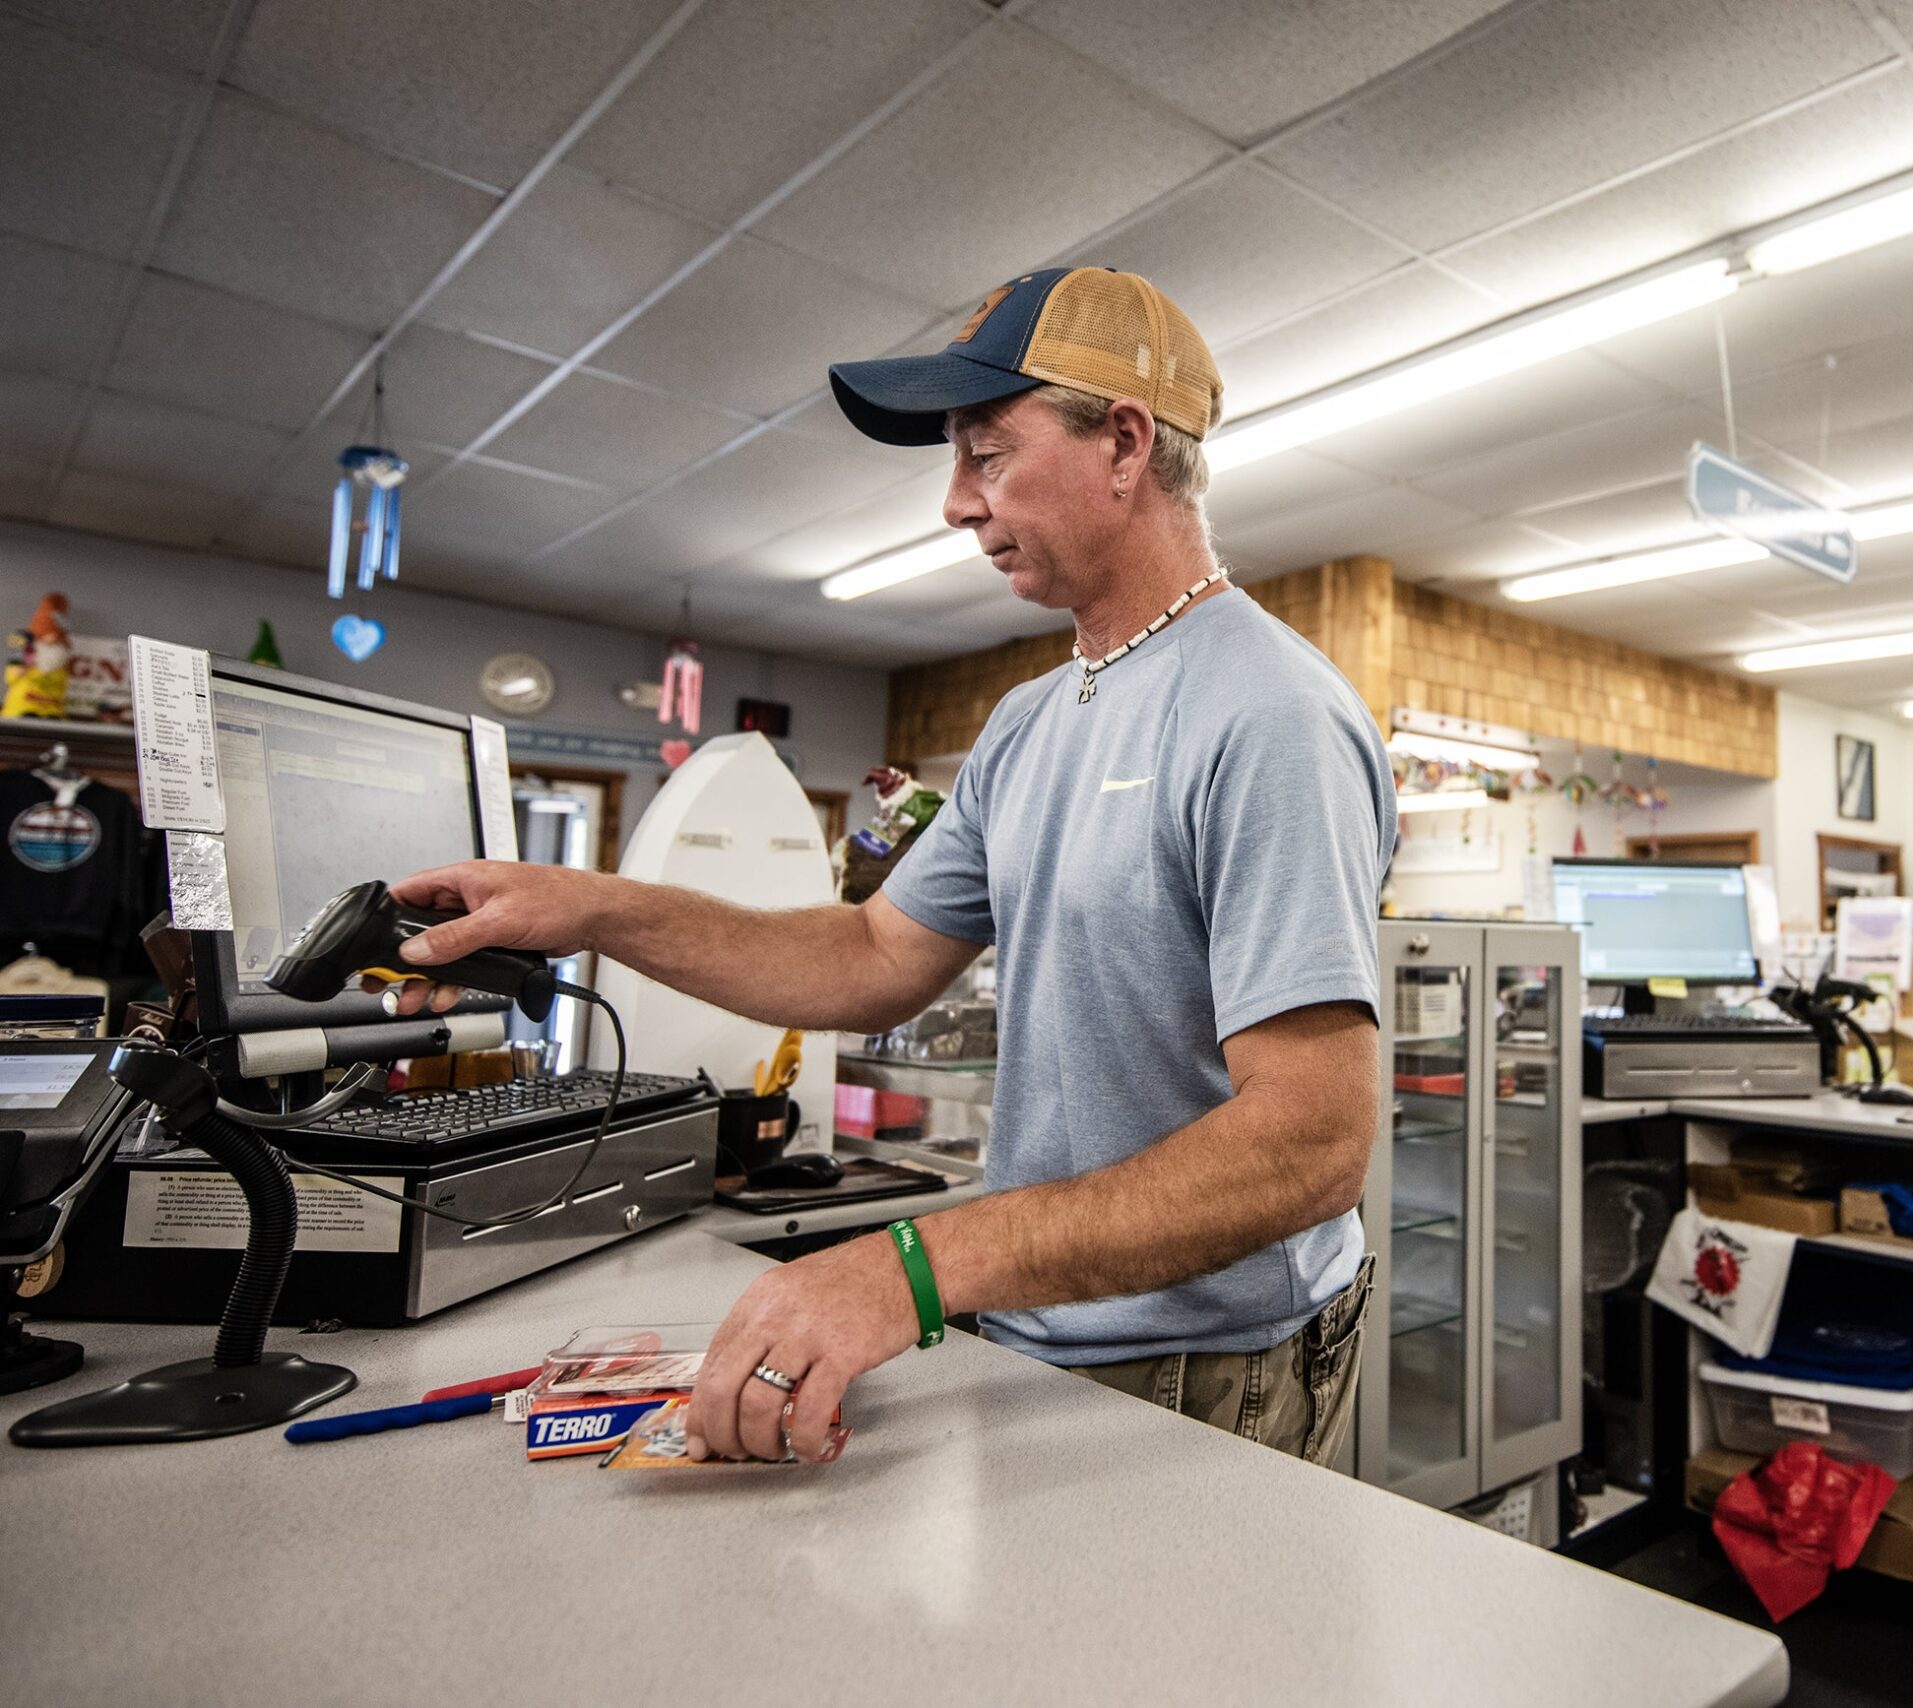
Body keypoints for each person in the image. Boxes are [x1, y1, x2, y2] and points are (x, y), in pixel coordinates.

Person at [384, 267, 1397, 1467]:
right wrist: (595, 906)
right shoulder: (1027, 723)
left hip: (1208, 1361)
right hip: (1039, 1324)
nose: (956, 503)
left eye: (987, 451)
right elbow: (869, 955)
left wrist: (913, 1267)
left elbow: (1312, 1143)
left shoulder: (1267, 710)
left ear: (1124, 443)